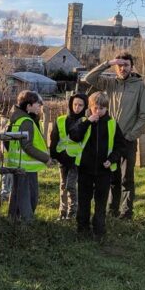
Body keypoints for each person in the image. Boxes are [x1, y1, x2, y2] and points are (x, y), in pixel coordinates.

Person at [81, 51, 145, 220]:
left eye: (126, 65)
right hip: (110, 139)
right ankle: (111, 210)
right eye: (119, 65)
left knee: (127, 178)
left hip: (128, 140)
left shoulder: (140, 86)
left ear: (132, 67)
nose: (122, 68)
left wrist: (130, 135)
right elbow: (89, 78)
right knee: (112, 176)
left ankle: (126, 213)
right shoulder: (110, 83)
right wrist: (108, 63)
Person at [69, 92, 124, 241]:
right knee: (84, 201)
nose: (98, 111)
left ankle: (99, 231)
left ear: (107, 108)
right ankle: (82, 229)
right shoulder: (84, 121)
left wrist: (111, 159)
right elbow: (74, 136)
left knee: (101, 202)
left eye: (101, 108)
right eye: (95, 108)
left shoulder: (112, 124)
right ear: (90, 107)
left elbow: (120, 146)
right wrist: (88, 122)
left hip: (103, 171)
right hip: (85, 169)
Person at [5, 91, 51, 223]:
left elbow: (7, 141)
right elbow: (27, 146)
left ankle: (13, 219)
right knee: (29, 196)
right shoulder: (27, 122)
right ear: (28, 106)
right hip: (27, 166)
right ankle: (27, 221)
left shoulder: (16, 119)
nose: (39, 107)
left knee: (17, 193)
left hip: (17, 163)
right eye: (37, 104)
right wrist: (46, 158)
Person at [49, 93, 87, 221]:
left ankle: (72, 213)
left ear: (85, 106)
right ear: (71, 104)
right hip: (62, 158)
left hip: (76, 160)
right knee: (63, 186)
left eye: (80, 105)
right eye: (75, 104)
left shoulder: (85, 121)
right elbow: (54, 138)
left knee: (71, 186)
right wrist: (54, 155)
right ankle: (62, 213)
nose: (77, 107)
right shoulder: (60, 120)